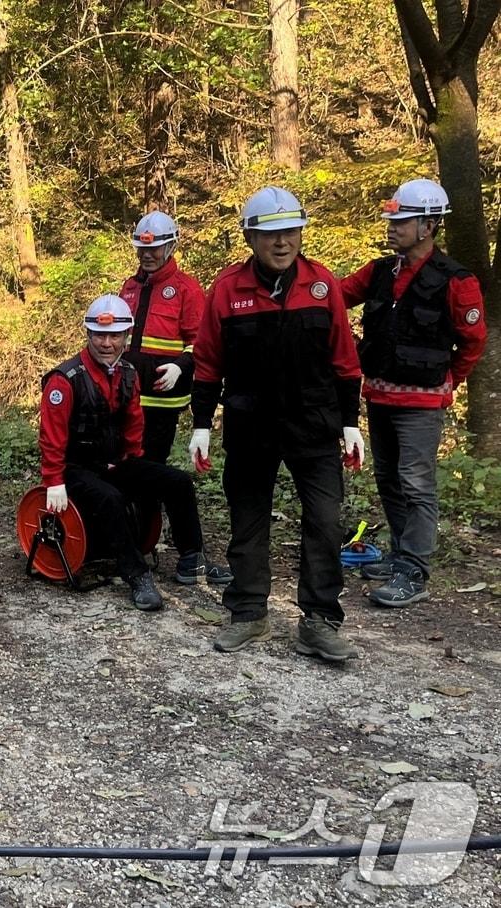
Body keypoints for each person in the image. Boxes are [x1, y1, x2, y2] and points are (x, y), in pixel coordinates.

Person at [191, 186, 365, 661]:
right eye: (271, 234)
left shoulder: (322, 285)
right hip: (251, 426)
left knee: (326, 523)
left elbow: (345, 363)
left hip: (314, 424)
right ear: (250, 237)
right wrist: (202, 425)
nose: (283, 242)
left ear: (301, 232)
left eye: (291, 231)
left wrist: (351, 424)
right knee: (248, 522)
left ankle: (320, 621)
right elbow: (207, 363)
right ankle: (248, 614)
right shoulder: (227, 289)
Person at [339, 179, 487, 607]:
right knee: (388, 478)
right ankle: (401, 553)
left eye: (401, 221)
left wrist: (448, 382)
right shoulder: (379, 271)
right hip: (380, 396)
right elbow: (337, 294)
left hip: (422, 403)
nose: (392, 227)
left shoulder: (457, 280)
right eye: (391, 220)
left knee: (416, 484)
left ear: (428, 225)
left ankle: (414, 572)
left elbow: (473, 341)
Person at [39, 295, 228, 610]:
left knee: (176, 481)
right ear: (88, 335)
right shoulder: (64, 380)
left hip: (114, 463)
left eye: (115, 336)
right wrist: (54, 480)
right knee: (110, 498)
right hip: (75, 469)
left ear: (126, 337)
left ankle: (192, 559)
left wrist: (134, 463)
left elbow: (133, 423)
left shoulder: (127, 372)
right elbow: (51, 436)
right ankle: (137, 574)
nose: (107, 343)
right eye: (100, 335)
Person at [117, 211, 205, 464]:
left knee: (152, 461)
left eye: (153, 249)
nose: (146, 255)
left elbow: (201, 341)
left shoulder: (186, 289)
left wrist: (181, 366)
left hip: (161, 398)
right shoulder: (130, 287)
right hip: (126, 392)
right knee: (122, 458)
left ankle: (150, 504)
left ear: (170, 247)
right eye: (141, 248)